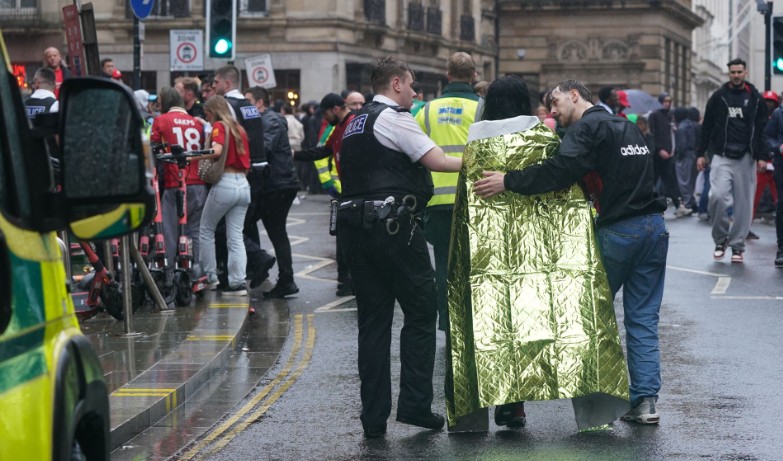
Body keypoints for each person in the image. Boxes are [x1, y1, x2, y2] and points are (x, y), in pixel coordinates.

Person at [474, 79, 668, 425]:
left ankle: (600, 410)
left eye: (556, 102)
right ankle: (645, 402)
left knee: (589, 318)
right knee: (642, 319)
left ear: (574, 95)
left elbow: (559, 171)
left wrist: (508, 181)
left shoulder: (586, 128)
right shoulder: (624, 126)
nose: (553, 110)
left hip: (618, 231)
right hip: (654, 227)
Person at [337, 56, 462, 438]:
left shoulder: (354, 122)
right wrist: (482, 160)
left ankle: (373, 419)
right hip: (393, 227)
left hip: (354, 228)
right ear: (395, 84)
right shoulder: (394, 118)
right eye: (410, 85)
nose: (413, 92)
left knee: (373, 324)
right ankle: (415, 405)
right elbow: (438, 160)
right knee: (422, 310)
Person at [414, 51, 479, 332]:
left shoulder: (426, 110)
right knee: (473, 264)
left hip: (436, 201)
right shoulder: (483, 108)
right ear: (474, 76)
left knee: (443, 264)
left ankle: (448, 322)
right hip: (473, 198)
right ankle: (472, 323)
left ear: (447, 75)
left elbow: (414, 150)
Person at [697, 58, 768, 264]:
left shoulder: (755, 98)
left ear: (745, 73)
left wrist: (763, 156)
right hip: (722, 155)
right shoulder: (718, 97)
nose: (736, 75)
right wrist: (701, 153)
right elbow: (706, 127)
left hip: (746, 156)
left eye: (739, 72)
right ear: (729, 74)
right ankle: (720, 240)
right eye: (733, 72)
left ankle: (737, 245)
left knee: (744, 205)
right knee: (717, 197)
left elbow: (762, 129)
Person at [212, 65, 276, 288]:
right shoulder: (249, 105)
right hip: (260, 169)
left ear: (227, 83)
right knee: (245, 224)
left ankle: (258, 259)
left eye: (216, 82)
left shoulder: (227, 105)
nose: (214, 86)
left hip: (243, 170)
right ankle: (253, 268)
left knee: (226, 226)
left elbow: (228, 137)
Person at [294, 92, 358, 296]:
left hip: (357, 192)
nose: (324, 118)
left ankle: (352, 281)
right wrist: (295, 154)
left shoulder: (353, 124)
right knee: (343, 237)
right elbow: (323, 151)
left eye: (326, 113)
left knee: (351, 238)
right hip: (344, 192)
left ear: (336, 109)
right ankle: (345, 281)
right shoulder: (338, 127)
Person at [244, 86, 301, 297]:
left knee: (248, 224)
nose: (244, 106)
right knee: (273, 232)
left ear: (259, 102)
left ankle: (263, 264)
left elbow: (263, 149)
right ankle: (275, 273)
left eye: (248, 101)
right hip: (275, 184)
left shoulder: (270, 120)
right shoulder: (264, 120)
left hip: (277, 185)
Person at [198, 95, 252, 296]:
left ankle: (210, 278)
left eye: (207, 114)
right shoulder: (239, 129)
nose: (208, 118)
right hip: (243, 184)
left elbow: (217, 151)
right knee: (236, 236)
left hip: (225, 183)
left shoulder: (219, 126)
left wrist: (193, 156)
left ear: (214, 112)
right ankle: (238, 283)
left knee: (206, 229)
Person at [150, 87, 207, 273]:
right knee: (197, 230)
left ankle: (169, 272)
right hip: (198, 183)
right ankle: (199, 272)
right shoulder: (196, 123)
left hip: (175, 181)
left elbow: (152, 148)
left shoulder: (161, 120)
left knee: (169, 231)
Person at [649, 92, 686, 216]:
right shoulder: (654, 115)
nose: (667, 104)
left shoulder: (671, 115)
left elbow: (671, 134)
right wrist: (659, 149)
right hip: (658, 155)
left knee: (670, 180)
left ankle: (678, 205)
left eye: (669, 101)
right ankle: (654, 206)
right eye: (665, 101)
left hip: (669, 154)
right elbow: (653, 134)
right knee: (655, 180)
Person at [763, 90, 783, 267]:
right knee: (782, 205)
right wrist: (778, 147)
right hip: (781, 164)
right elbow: (768, 136)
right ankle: (782, 249)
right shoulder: (778, 114)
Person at [674, 106, 698, 214]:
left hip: (684, 156)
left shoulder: (681, 128)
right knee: (691, 181)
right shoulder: (691, 125)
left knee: (684, 181)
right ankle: (692, 202)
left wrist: (678, 156)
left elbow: (682, 146)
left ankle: (687, 203)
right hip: (693, 155)